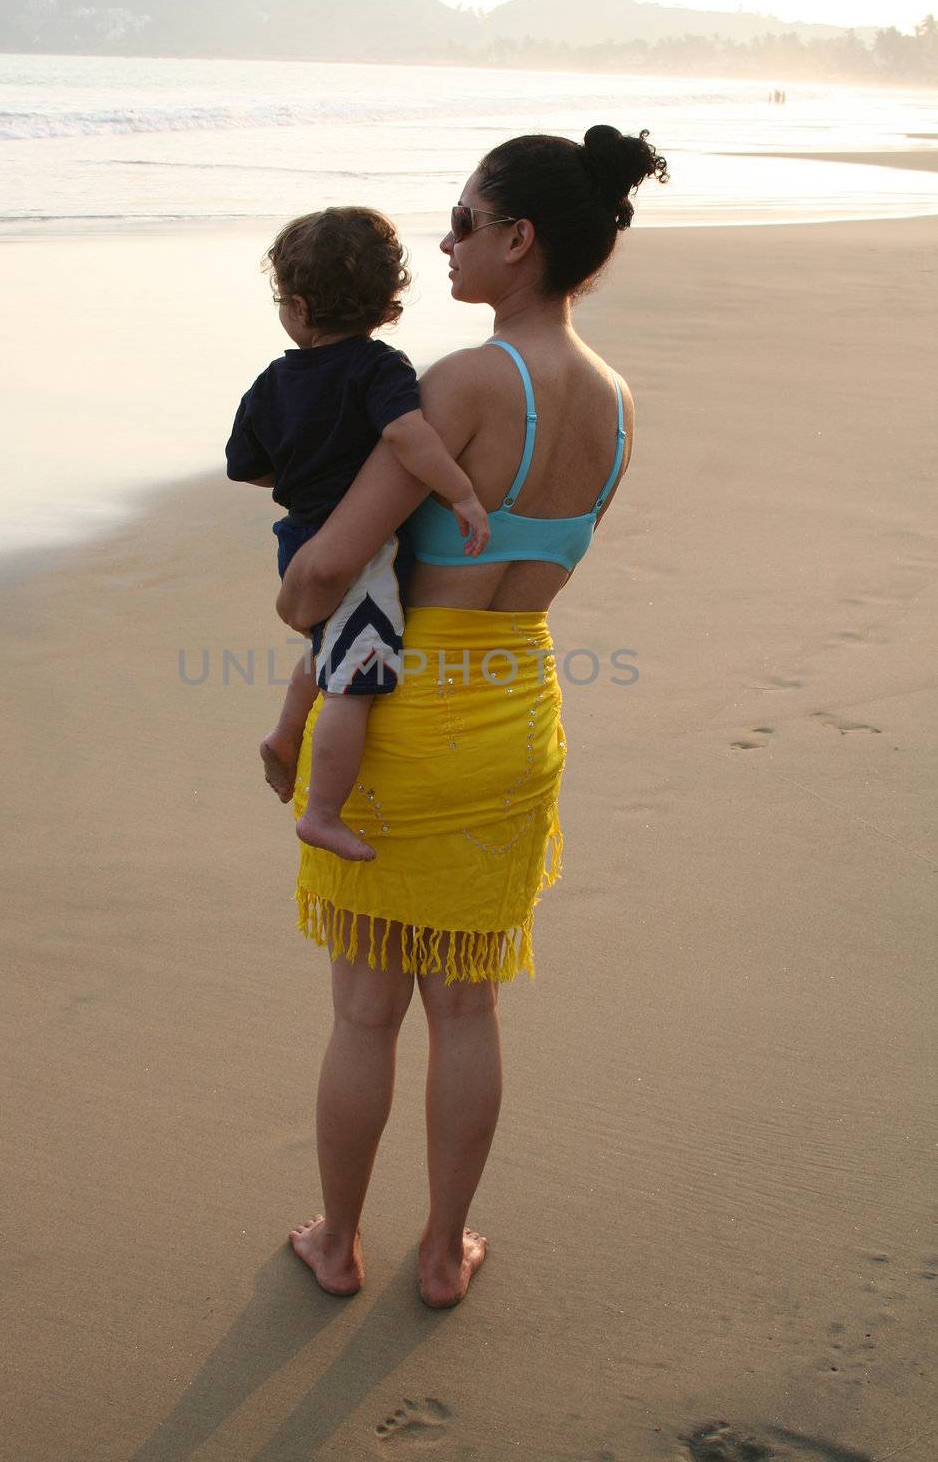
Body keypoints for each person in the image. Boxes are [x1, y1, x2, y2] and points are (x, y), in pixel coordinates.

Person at [275, 127, 668, 1307]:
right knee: (467, 1006)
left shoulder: (460, 382)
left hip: (401, 715)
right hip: (516, 712)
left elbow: (328, 575)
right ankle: (444, 1252)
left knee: (363, 1009)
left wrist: (295, 601)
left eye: (460, 222)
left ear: (518, 238)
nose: (443, 243)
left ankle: (338, 1242)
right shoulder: (613, 402)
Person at [225, 207, 489, 863]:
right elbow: (404, 435)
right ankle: (321, 813)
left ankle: (287, 735)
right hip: (360, 548)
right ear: (386, 303)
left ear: (298, 306)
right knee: (357, 682)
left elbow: (248, 467)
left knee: (335, 644)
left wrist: (307, 477)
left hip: (302, 533)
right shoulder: (378, 369)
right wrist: (458, 491)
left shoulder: (271, 383)